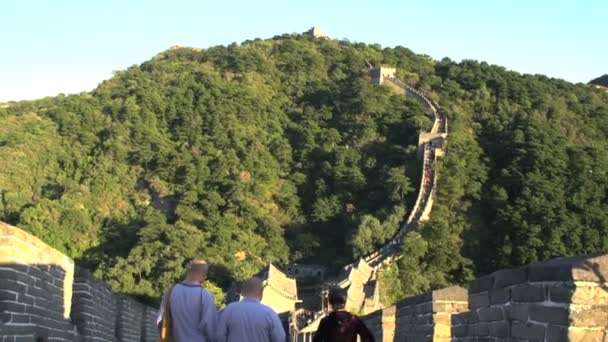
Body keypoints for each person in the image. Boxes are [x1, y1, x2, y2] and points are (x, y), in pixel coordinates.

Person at [157, 259, 218, 342]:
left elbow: (160, 320)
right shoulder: (205, 295)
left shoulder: (170, 291)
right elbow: (211, 327)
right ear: (203, 274)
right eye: (205, 275)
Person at [216, 277, 286, 342]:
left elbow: (219, 335)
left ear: (242, 291)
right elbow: (280, 338)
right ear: (261, 293)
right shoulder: (270, 313)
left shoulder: (229, 309)